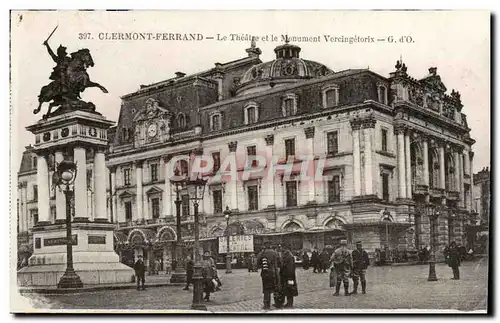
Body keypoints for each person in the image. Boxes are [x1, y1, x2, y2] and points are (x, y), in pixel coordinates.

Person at [257, 243, 279, 310]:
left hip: (265, 274)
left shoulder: (262, 253)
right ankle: (278, 303)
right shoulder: (275, 253)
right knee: (276, 288)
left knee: (266, 290)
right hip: (274, 273)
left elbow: (258, 263)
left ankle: (267, 305)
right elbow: (279, 262)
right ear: (270, 246)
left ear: (264, 246)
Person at [280, 244, 299, 308]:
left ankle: (290, 303)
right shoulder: (287, 255)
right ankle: (288, 303)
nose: (281, 249)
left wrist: (290, 277)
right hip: (287, 276)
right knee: (287, 289)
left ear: (285, 248)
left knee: (290, 289)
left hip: (289, 276)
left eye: (281, 247)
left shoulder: (289, 256)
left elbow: (290, 268)